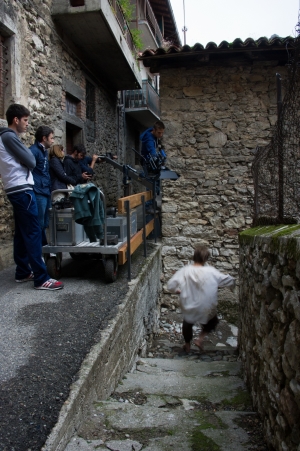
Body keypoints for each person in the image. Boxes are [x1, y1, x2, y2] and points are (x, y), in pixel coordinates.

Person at [0, 104, 63, 290]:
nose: (28, 124)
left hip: (16, 188)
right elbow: (31, 161)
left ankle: (22, 272)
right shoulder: (9, 136)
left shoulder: (8, 138)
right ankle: (41, 278)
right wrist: (27, 158)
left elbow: (27, 159)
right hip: (23, 190)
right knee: (34, 232)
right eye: (25, 120)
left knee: (21, 232)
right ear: (16, 120)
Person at [167, 246, 235, 353]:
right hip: (205, 305)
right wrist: (234, 280)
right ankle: (200, 339)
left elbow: (171, 285)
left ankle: (187, 344)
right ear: (205, 259)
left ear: (194, 257)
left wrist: (177, 291)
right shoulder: (211, 271)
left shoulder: (185, 270)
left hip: (189, 304)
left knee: (187, 322)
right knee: (212, 321)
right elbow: (225, 280)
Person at [29, 125, 54, 245]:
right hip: (38, 192)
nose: (53, 140)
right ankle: (37, 252)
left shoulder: (43, 152)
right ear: (44, 138)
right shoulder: (34, 151)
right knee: (38, 223)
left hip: (45, 190)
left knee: (44, 223)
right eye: (51, 138)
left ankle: (43, 249)